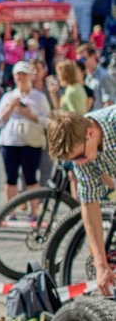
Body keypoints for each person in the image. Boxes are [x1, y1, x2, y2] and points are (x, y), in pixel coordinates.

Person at [47, 107, 116, 296]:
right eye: (72, 161)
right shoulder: (82, 149)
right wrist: (100, 264)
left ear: (91, 133)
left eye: (79, 157)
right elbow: (89, 204)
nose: (79, 163)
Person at [0, 61, 49, 218]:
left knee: (31, 177)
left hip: (30, 142)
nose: (21, 78)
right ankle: (10, 211)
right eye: (18, 75)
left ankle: (33, 211)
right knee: (11, 178)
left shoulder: (39, 97)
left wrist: (30, 115)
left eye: (24, 74)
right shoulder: (8, 96)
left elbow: (47, 120)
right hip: (10, 141)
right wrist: (9, 108)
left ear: (30, 76)